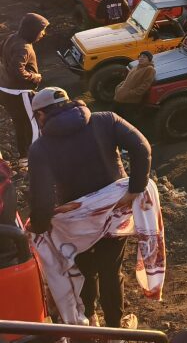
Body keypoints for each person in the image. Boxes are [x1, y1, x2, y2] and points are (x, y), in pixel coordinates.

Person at [28, 86, 151, 331]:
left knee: (84, 269)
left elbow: (41, 199)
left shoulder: (41, 148)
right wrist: (135, 189)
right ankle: (115, 328)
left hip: (76, 223)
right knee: (111, 269)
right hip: (114, 213)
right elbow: (142, 148)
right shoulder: (105, 120)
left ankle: (90, 321)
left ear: (41, 115)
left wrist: (39, 226)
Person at [0, 12, 48, 166]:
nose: (43, 34)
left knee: (19, 123)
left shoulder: (11, 38)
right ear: (32, 30)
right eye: (41, 30)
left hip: (5, 90)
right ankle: (34, 157)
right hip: (20, 92)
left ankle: (23, 158)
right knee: (32, 124)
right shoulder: (24, 47)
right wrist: (35, 77)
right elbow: (17, 70)